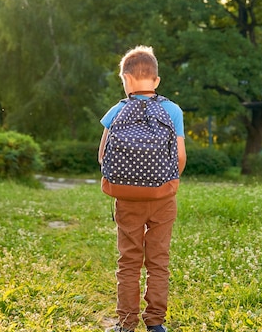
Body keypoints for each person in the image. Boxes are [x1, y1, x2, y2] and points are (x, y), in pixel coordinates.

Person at [98, 46, 186, 332]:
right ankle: (156, 323)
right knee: (158, 260)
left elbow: (102, 156)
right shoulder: (172, 110)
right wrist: (166, 182)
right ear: (156, 81)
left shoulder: (117, 110)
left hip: (127, 199)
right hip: (163, 197)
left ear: (125, 79)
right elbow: (180, 157)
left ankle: (125, 324)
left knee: (129, 261)